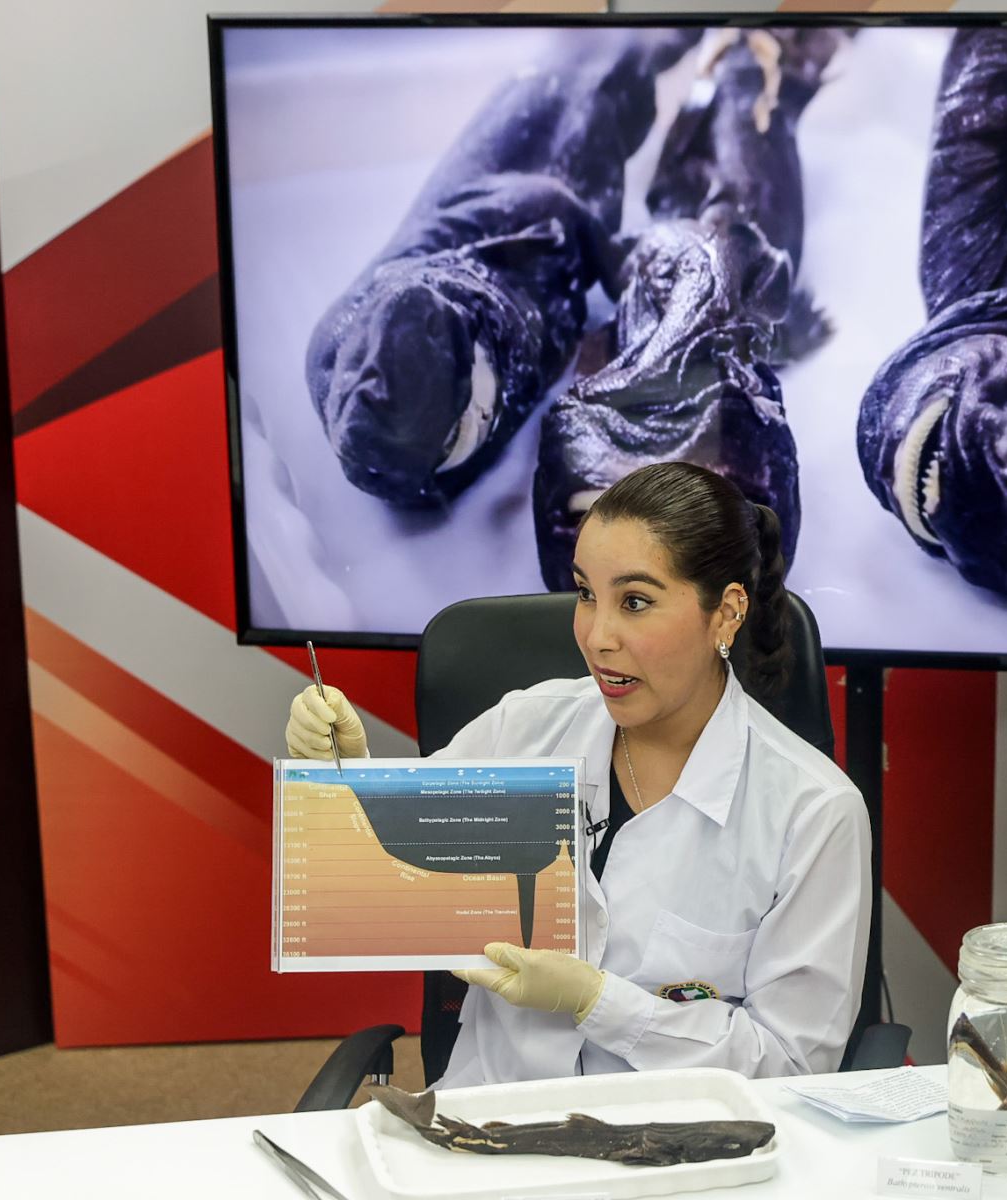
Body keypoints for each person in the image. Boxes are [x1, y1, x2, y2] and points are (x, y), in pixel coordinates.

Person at [283, 462, 870, 1086]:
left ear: (726, 613)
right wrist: (342, 779)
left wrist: (600, 1002)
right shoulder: (524, 730)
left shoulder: (814, 810)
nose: (596, 636)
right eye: (587, 594)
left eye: (635, 602)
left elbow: (791, 1064)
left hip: (686, 1158)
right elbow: (391, 883)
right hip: (491, 1131)